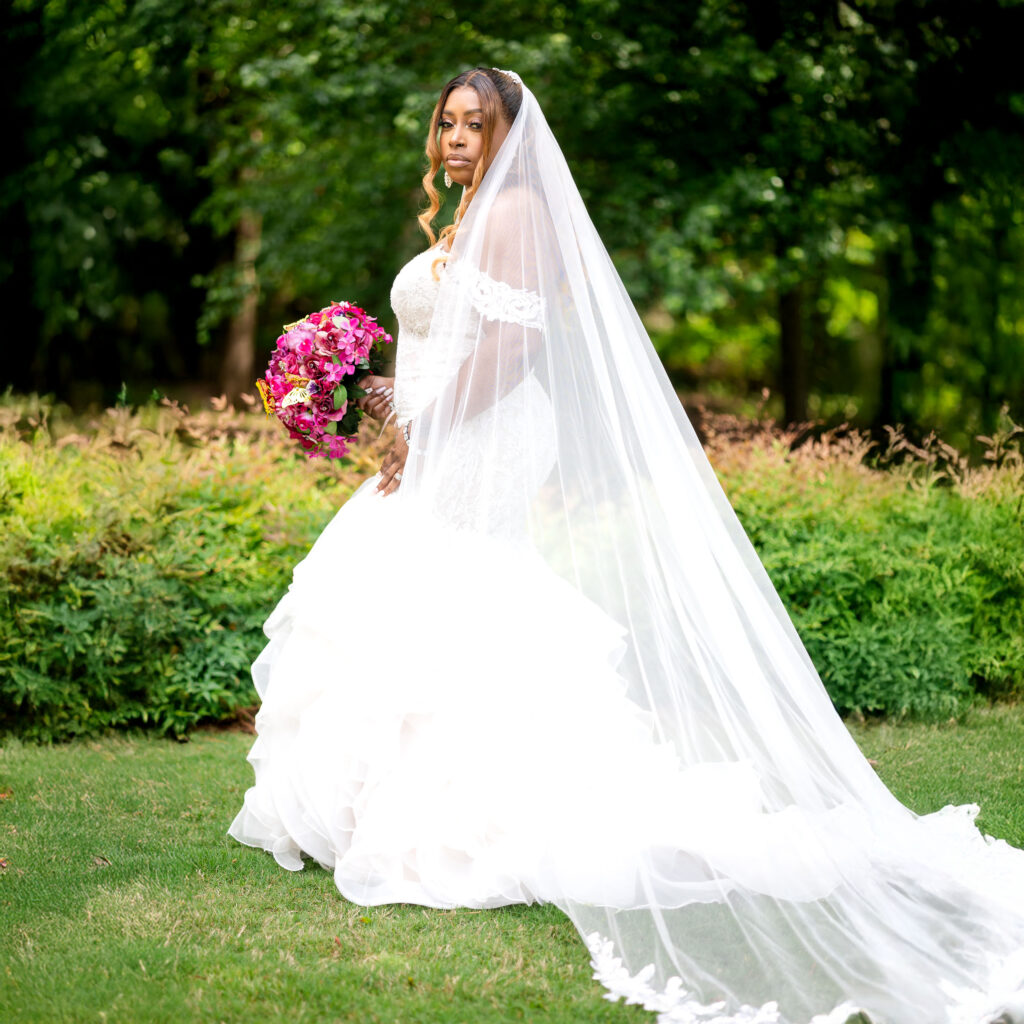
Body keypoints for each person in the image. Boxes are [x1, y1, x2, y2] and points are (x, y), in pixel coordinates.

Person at [229, 68, 1024, 1024]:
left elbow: (510, 350)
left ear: (511, 134)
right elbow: (452, 336)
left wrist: (429, 426)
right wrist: (382, 395)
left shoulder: (517, 208)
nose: (455, 139)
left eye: (475, 124)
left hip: (483, 432)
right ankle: (387, 801)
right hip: (450, 424)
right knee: (428, 589)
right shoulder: (474, 213)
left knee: (452, 587)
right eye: (446, 122)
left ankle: (470, 816)